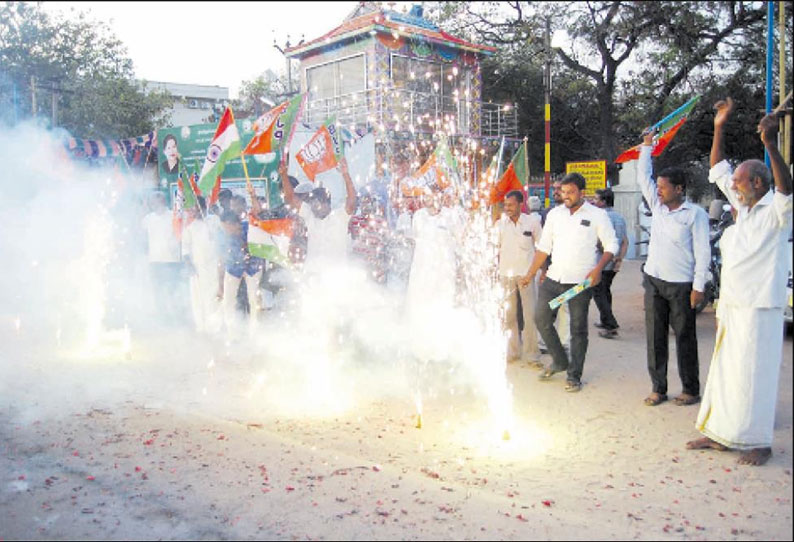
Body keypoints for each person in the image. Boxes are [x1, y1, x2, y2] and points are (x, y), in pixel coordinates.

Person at [686, 98, 792, 466]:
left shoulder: (775, 212)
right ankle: (721, 434)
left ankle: (759, 442)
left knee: (754, 375)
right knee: (726, 371)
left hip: (760, 307)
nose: (732, 188)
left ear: (757, 183)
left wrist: (770, 146)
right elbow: (717, 168)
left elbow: (786, 189)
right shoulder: (743, 207)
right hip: (733, 303)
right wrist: (719, 126)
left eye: (739, 182)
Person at [519, 173, 618, 392]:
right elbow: (544, 248)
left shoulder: (597, 215)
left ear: (582, 192)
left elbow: (612, 245)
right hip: (554, 280)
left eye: (570, 192)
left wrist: (598, 269)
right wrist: (530, 274)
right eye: (563, 192)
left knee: (577, 328)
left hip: (579, 285)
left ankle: (574, 375)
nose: (566, 196)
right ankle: (560, 360)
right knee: (542, 318)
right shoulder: (555, 215)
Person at [637, 130, 710, 407]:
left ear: (679, 189)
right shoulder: (657, 207)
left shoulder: (695, 215)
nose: (659, 191)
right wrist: (647, 147)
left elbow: (703, 252)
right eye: (658, 187)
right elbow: (643, 177)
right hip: (654, 280)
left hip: (681, 285)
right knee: (655, 338)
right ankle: (658, 388)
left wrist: (698, 287)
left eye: (664, 187)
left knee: (684, 338)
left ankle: (690, 389)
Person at [405, 189, 458, 361]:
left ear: (441, 197)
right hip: (421, 274)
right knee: (420, 310)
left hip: (444, 275)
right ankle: (420, 351)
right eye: (426, 196)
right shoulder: (419, 216)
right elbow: (414, 241)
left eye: (433, 195)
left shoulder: (451, 216)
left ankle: (442, 352)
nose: (430, 199)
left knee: (442, 310)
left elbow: (459, 241)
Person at [281, 155, 356, 273]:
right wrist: (283, 175)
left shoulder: (339, 217)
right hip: (312, 276)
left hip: (337, 277)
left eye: (317, 203)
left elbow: (351, 202)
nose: (314, 206)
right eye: (312, 203)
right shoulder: (310, 216)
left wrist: (346, 174)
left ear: (327, 204)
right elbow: (291, 199)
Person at [497, 190, 543, 367]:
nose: (507, 208)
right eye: (505, 205)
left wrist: (541, 271)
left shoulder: (532, 222)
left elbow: (542, 248)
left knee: (530, 314)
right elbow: (496, 247)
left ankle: (532, 355)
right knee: (509, 315)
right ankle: (512, 351)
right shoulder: (500, 224)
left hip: (526, 275)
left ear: (520, 204)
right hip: (505, 274)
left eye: (510, 204)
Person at [591, 188, 629, 338]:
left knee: (598, 292)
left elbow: (600, 242)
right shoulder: (619, 217)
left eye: (596, 199)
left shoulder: (601, 217)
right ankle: (604, 320)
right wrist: (618, 259)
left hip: (601, 261)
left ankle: (610, 325)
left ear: (603, 202)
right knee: (605, 291)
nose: (594, 201)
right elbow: (625, 241)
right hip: (612, 262)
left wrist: (606, 254)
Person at [181, 196, 222, 333]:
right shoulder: (190, 227)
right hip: (198, 267)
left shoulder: (214, 220)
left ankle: (215, 327)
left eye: (198, 208)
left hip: (215, 265)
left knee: (215, 295)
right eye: (194, 209)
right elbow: (185, 248)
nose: (195, 211)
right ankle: (201, 328)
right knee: (199, 298)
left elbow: (222, 237)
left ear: (204, 207)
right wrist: (189, 265)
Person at [219, 210, 264, 334]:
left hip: (253, 268)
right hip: (233, 269)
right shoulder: (222, 236)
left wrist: (248, 248)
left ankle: (255, 331)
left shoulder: (250, 228)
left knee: (254, 299)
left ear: (231, 224)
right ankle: (231, 332)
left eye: (225, 227)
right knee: (228, 301)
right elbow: (221, 258)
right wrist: (220, 284)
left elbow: (261, 246)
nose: (224, 230)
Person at [141, 191, 182, 321]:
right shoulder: (148, 219)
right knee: (157, 290)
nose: (155, 204)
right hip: (155, 260)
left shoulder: (173, 216)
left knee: (172, 290)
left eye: (158, 201)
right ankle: (162, 316)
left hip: (172, 260)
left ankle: (176, 315)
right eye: (153, 202)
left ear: (164, 201)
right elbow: (143, 238)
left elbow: (180, 236)